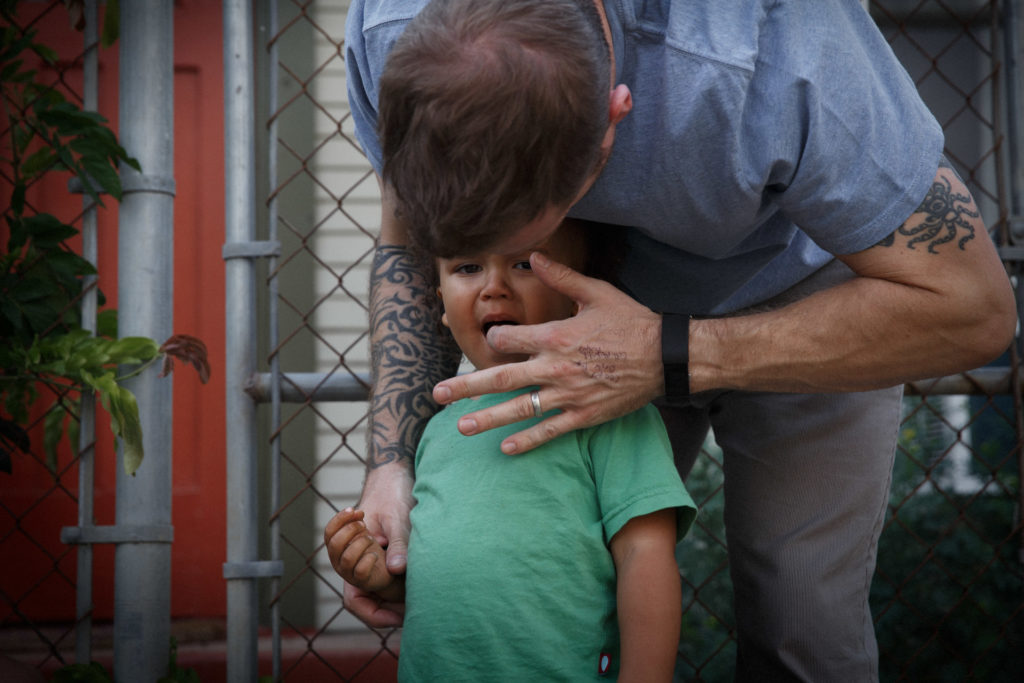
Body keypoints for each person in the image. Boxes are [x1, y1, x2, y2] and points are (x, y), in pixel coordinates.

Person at [331, 0, 1018, 680]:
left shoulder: (779, 52)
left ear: (613, 118)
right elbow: (411, 238)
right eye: (468, 257)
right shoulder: (386, 32)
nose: (489, 280)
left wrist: (664, 352)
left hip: (814, 293)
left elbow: (975, 310)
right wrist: (392, 463)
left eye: (519, 248)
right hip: (579, 301)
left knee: (800, 629)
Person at [326, 219, 697, 681]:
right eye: (467, 267)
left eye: (524, 263)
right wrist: (384, 576)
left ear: (581, 295)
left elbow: (645, 554)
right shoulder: (439, 428)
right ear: (441, 305)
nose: (493, 288)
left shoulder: (611, 411)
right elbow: (460, 575)